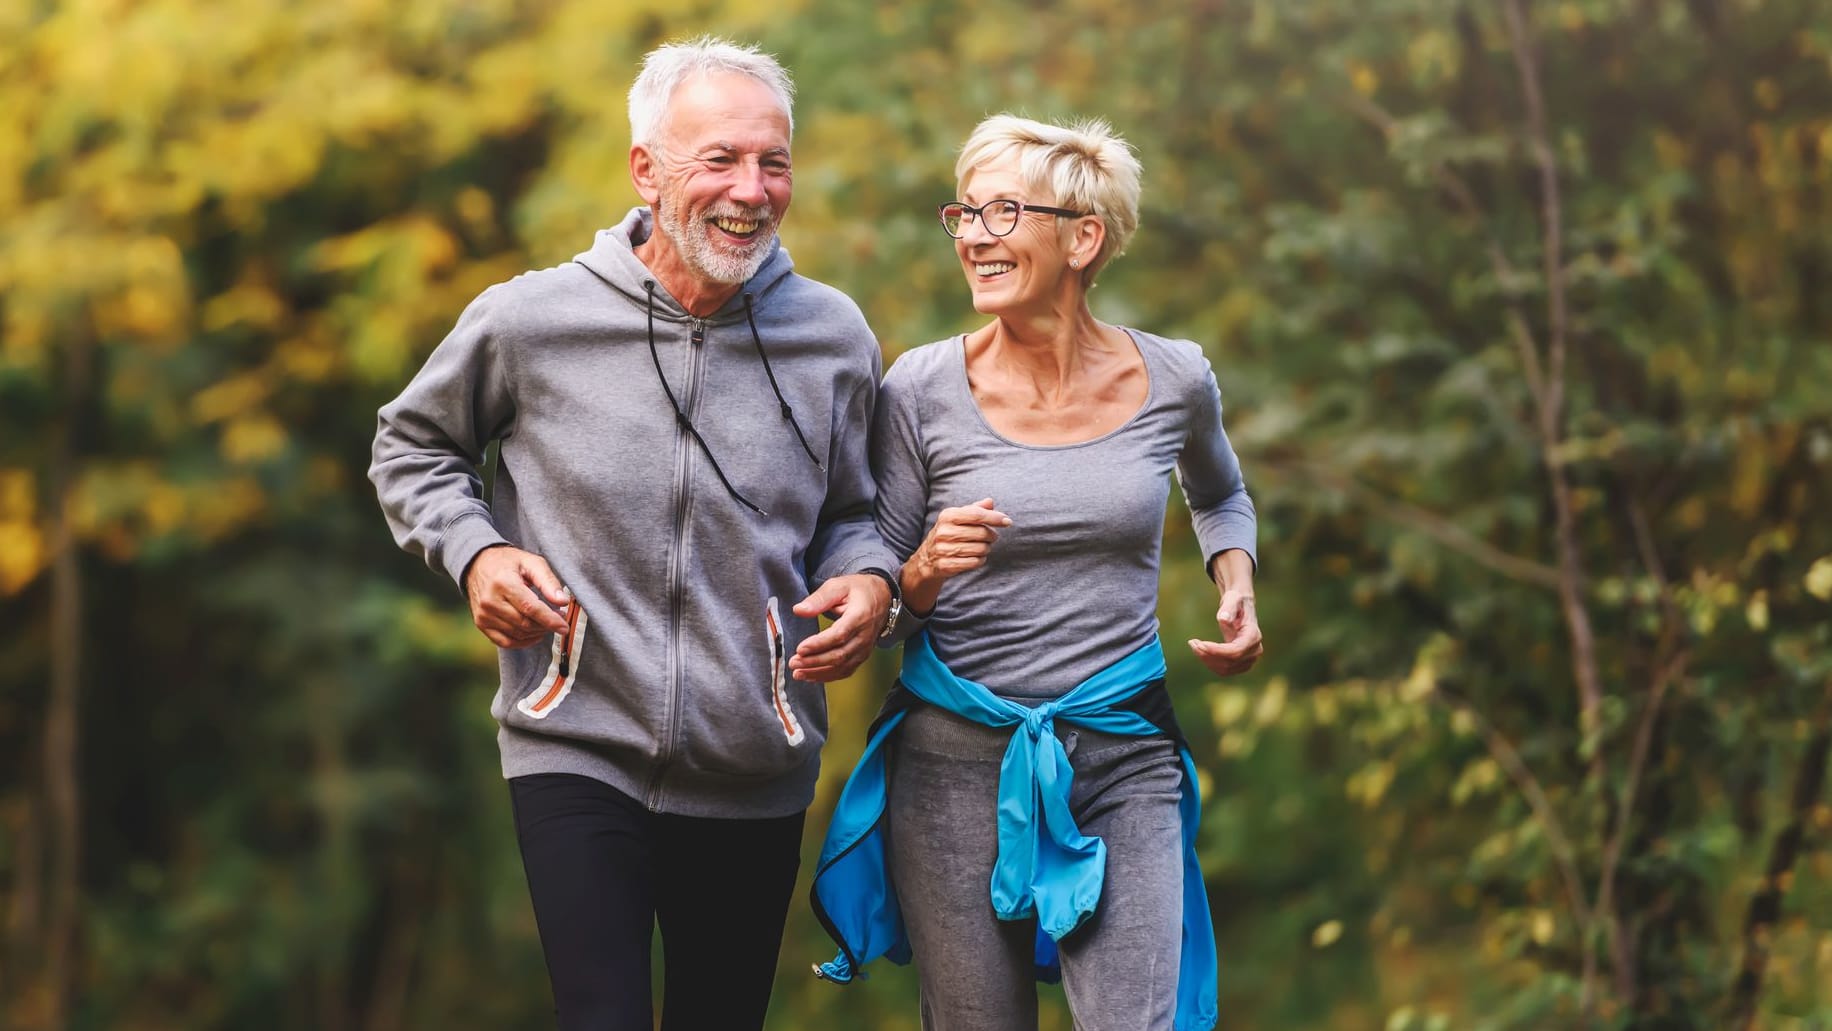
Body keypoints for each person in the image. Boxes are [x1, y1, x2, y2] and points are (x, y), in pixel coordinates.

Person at [369, 37, 900, 1031]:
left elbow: (857, 513)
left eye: (771, 161)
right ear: (645, 170)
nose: (750, 188)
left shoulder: (832, 336)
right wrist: (475, 549)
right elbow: (412, 445)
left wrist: (869, 579)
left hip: (758, 755)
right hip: (575, 741)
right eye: (720, 159)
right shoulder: (531, 320)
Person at [810, 115, 1262, 1031]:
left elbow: (1219, 492)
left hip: (1124, 753)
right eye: (965, 213)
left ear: (1082, 237)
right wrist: (926, 566)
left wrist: (1236, 576)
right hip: (951, 765)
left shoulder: (1176, 377)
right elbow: (885, 600)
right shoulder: (920, 388)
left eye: (1004, 211)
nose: (973, 234)